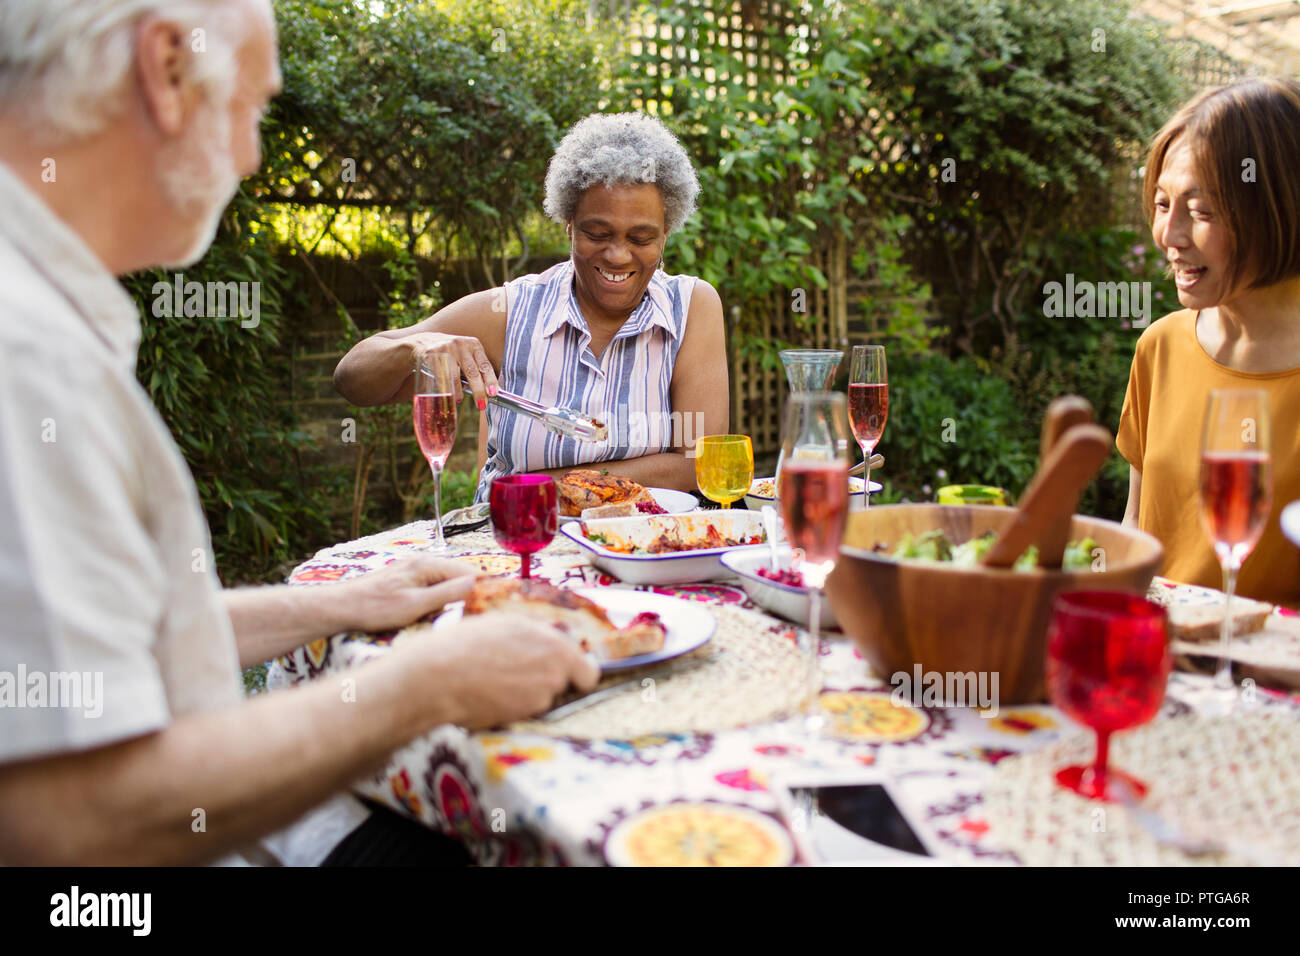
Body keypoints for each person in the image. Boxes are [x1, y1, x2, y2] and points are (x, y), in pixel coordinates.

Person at [0, 0, 599, 866]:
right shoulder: (28, 355)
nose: (249, 154)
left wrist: (346, 603)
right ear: (169, 68)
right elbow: (68, 824)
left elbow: (111, 634)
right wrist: (424, 684)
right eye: (252, 108)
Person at [333, 112, 729, 503]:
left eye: (641, 238)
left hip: (645, 552)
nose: (618, 255)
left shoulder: (691, 307)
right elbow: (352, 379)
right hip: (514, 545)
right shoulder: (511, 311)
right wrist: (414, 349)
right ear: (569, 224)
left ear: (666, 235)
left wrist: (539, 486)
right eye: (598, 233)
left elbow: (697, 462)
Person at [1118, 77, 1300, 609]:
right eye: (1161, 203)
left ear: (1278, 209)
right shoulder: (1162, 346)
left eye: (1201, 212)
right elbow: (1136, 526)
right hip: (1157, 668)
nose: (1169, 236)